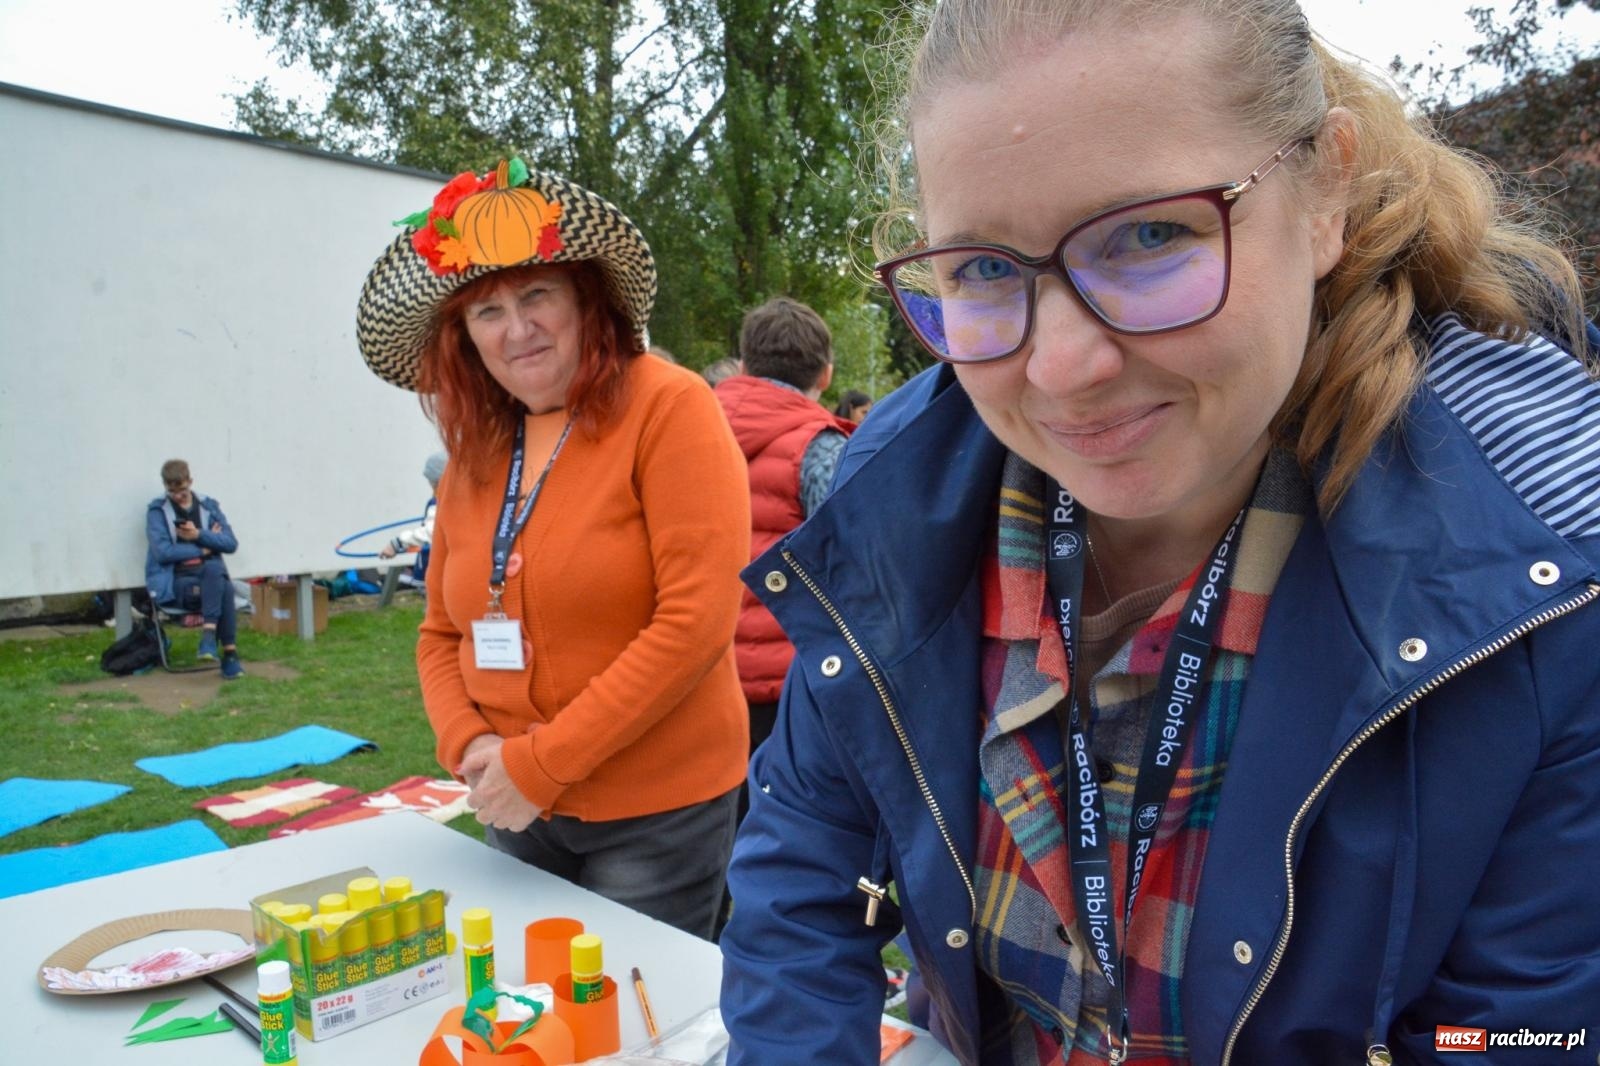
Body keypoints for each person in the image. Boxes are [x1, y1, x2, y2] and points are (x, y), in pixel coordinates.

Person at [719, 1, 1600, 1063]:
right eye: (985, 268)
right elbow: (808, 864)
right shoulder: (893, 493)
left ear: (1322, 189)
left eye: (1149, 235)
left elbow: (1518, 1033)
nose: (1061, 367)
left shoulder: (1544, 572)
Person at [356, 157, 751, 940]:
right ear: (464, 339)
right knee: (526, 1012)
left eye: (537, 295)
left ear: (586, 301)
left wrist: (538, 766)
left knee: (631, 1022)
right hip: (508, 797)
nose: (518, 328)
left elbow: (696, 623)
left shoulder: (670, 408)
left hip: (655, 811)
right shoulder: (476, 449)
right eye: (488, 311)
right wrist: (471, 747)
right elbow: (441, 631)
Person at [715, 297, 855, 778]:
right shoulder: (821, 447)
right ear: (826, 376)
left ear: (744, 364)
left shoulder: (686, 428)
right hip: (792, 683)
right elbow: (850, 561)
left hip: (700, 673)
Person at [143, 459, 244, 679]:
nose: (177, 496)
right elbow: (163, 553)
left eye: (182, 490)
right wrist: (204, 550)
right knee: (222, 583)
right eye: (172, 491)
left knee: (216, 573)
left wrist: (198, 535)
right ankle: (229, 655)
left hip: (209, 578)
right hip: (178, 581)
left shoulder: (208, 505)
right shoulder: (157, 511)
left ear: (190, 481)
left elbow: (231, 543)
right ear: (165, 487)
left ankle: (209, 638)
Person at [378, 451, 446, 588]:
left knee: (438, 605)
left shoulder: (440, 502)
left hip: (441, 568)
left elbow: (431, 532)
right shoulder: (462, 501)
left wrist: (397, 543)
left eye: (432, 483)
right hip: (452, 568)